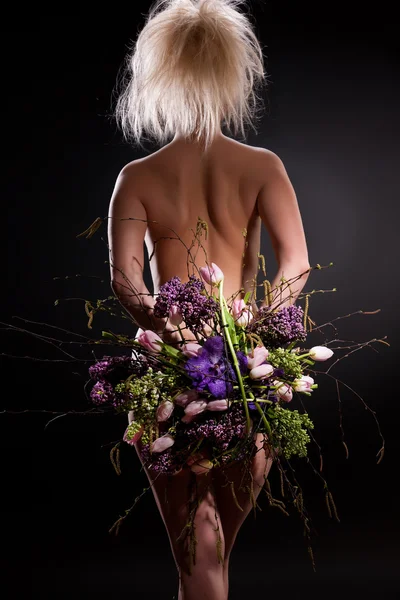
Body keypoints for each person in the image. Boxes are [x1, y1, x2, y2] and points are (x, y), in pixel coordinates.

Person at [107, 1, 310, 598]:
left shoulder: (137, 175)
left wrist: (169, 332)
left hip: (168, 378)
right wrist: (260, 325)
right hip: (249, 375)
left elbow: (124, 282)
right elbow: (296, 263)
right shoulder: (261, 166)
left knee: (196, 553)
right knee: (211, 550)